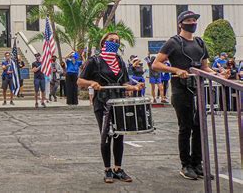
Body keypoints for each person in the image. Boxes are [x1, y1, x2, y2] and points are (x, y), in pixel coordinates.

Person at [152, 10, 217, 180]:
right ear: (181, 23)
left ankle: (197, 163)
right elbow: (156, 64)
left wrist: (218, 73)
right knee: (185, 127)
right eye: (189, 20)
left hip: (198, 90)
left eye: (194, 20)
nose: (192, 22)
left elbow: (205, 67)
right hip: (181, 90)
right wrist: (176, 70)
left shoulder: (200, 43)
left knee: (199, 128)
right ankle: (185, 165)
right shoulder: (173, 42)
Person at [78, 32, 143, 183]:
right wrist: (91, 84)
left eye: (117, 41)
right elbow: (80, 81)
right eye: (111, 40)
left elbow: (125, 82)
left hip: (119, 101)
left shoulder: (119, 60)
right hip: (102, 102)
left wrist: (134, 87)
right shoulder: (94, 60)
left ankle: (118, 169)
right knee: (106, 134)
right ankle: (107, 170)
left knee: (119, 134)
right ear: (103, 43)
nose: (114, 42)